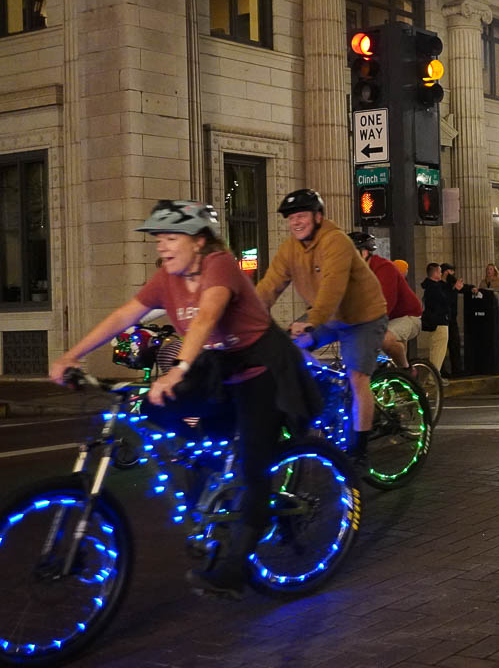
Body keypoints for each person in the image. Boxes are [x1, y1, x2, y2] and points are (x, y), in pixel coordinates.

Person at [50, 200, 322, 598]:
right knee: (157, 410)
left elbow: (209, 314)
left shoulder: (220, 264)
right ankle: (210, 484)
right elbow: (124, 315)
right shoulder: (167, 277)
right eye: (158, 239)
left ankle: (234, 570)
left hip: (262, 370)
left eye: (170, 237)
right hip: (219, 369)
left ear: (198, 241)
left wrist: (178, 368)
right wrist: (73, 354)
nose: (161, 246)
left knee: (254, 465)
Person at [256, 189, 387, 464]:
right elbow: (269, 286)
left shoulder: (335, 241)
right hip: (328, 317)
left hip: (362, 317)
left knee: (357, 378)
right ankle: (320, 396)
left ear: (317, 216)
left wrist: (312, 322)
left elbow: (332, 287)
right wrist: (248, 316)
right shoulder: (290, 248)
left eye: (301, 215)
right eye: (291, 218)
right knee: (287, 352)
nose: (295, 222)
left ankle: (360, 449)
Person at [349, 232, 422, 373]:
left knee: (384, 339)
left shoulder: (384, 268)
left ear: (364, 253)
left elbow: (386, 302)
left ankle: (406, 370)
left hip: (408, 316)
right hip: (380, 318)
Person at [419, 263, 455, 374]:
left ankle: (434, 376)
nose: (441, 274)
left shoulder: (430, 286)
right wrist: (453, 290)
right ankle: (433, 377)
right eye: (439, 271)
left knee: (435, 351)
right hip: (439, 322)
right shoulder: (434, 288)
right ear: (434, 273)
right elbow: (445, 302)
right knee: (438, 352)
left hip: (435, 322)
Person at [440, 263, 472, 378]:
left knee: (455, 344)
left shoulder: (451, 284)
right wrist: (454, 289)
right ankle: (441, 370)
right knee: (442, 346)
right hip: (443, 319)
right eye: (451, 272)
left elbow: (463, 288)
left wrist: (472, 288)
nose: (453, 274)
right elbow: (445, 300)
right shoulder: (440, 285)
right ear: (445, 272)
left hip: (452, 319)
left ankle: (457, 369)